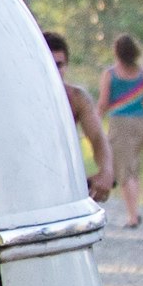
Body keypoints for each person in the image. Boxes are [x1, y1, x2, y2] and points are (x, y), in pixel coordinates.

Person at [46, 31, 112, 207]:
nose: (54, 71)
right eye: (48, 64)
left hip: (64, 177)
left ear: (66, 65)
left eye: (59, 65)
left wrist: (106, 171)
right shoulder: (19, 98)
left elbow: (97, 138)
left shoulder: (76, 98)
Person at [96, 35, 143, 228]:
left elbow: (104, 103)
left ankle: (133, 215)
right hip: (140, 122)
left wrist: (94, 122)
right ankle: (134, 211)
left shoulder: (111, 74)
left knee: (124, 171)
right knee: (133, 168)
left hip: (119, 123)